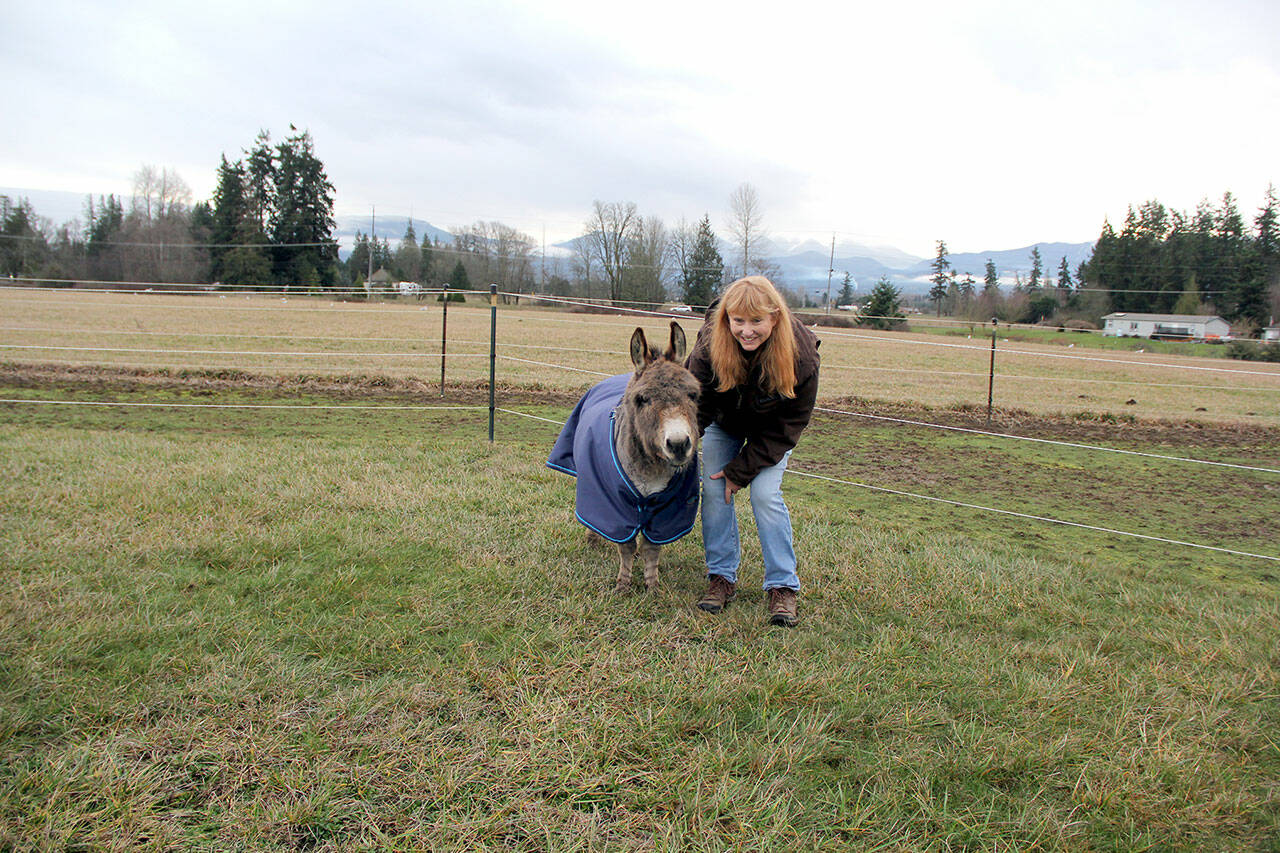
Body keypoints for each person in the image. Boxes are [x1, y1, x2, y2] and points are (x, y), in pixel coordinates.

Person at [685, 275, 820, 627]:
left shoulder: (801, 355)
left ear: (775, 317)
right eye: (738, 321)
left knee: (764, 495)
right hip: (724, 423)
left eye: (756, 321)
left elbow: (790, 425)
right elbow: (696, 406)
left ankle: (782, 586)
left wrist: (741, 470)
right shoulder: (709, 345)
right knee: (714, 490)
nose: (746, 330)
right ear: (727, 318)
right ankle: (721, 577)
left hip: (772, 432)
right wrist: (681, 448)